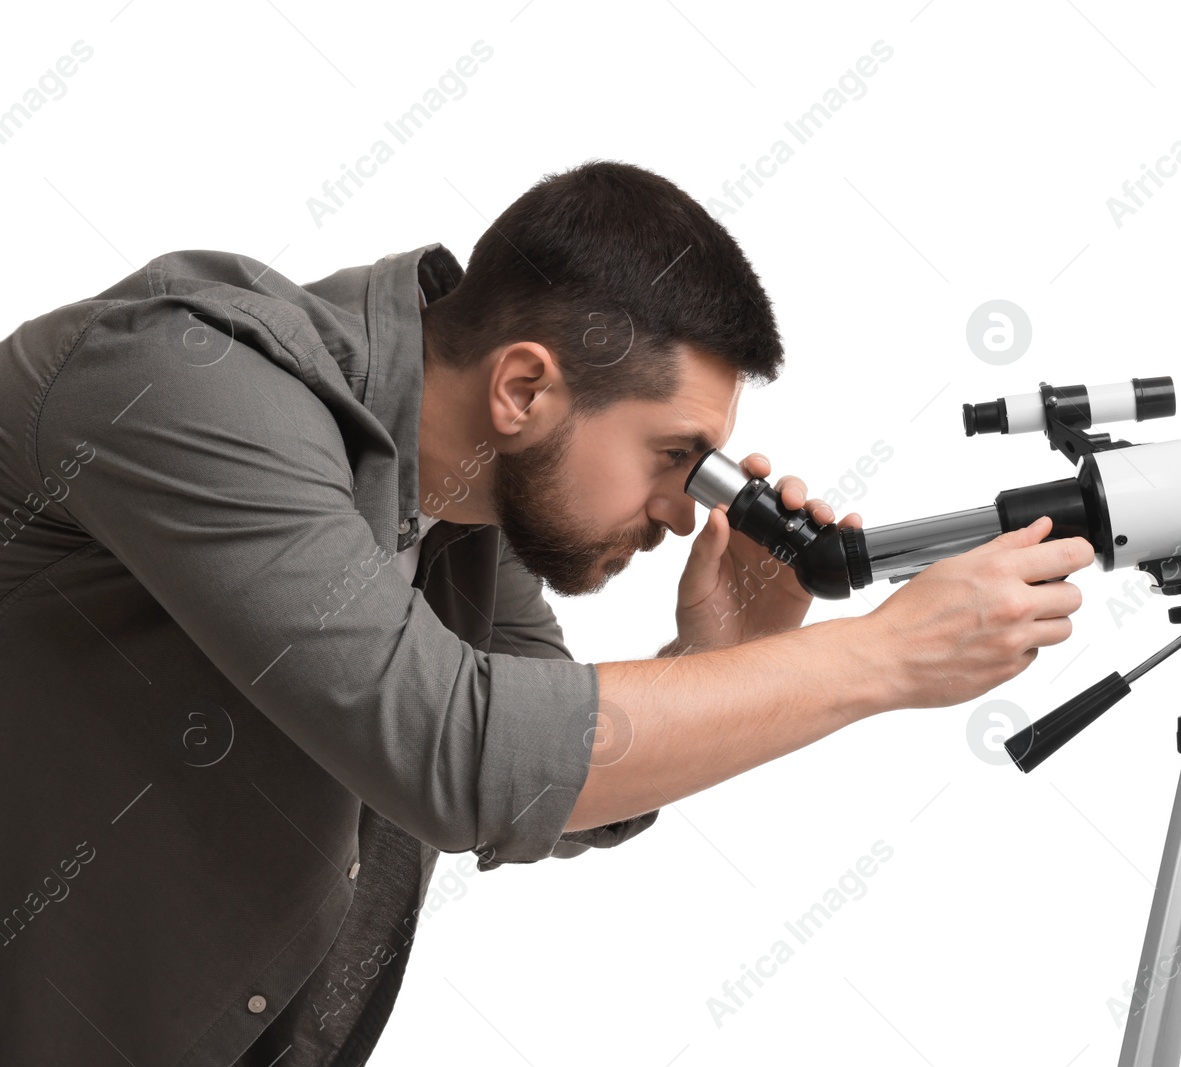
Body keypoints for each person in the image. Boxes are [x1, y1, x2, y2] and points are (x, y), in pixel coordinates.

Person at [0, 159, 1091, 1067]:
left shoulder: (462, 499)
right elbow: (461, 754)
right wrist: (884, 659)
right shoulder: (188, 379)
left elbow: (552, 779)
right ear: (524, 387)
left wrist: (713, 653)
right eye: (675, 458)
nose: (679, 507)